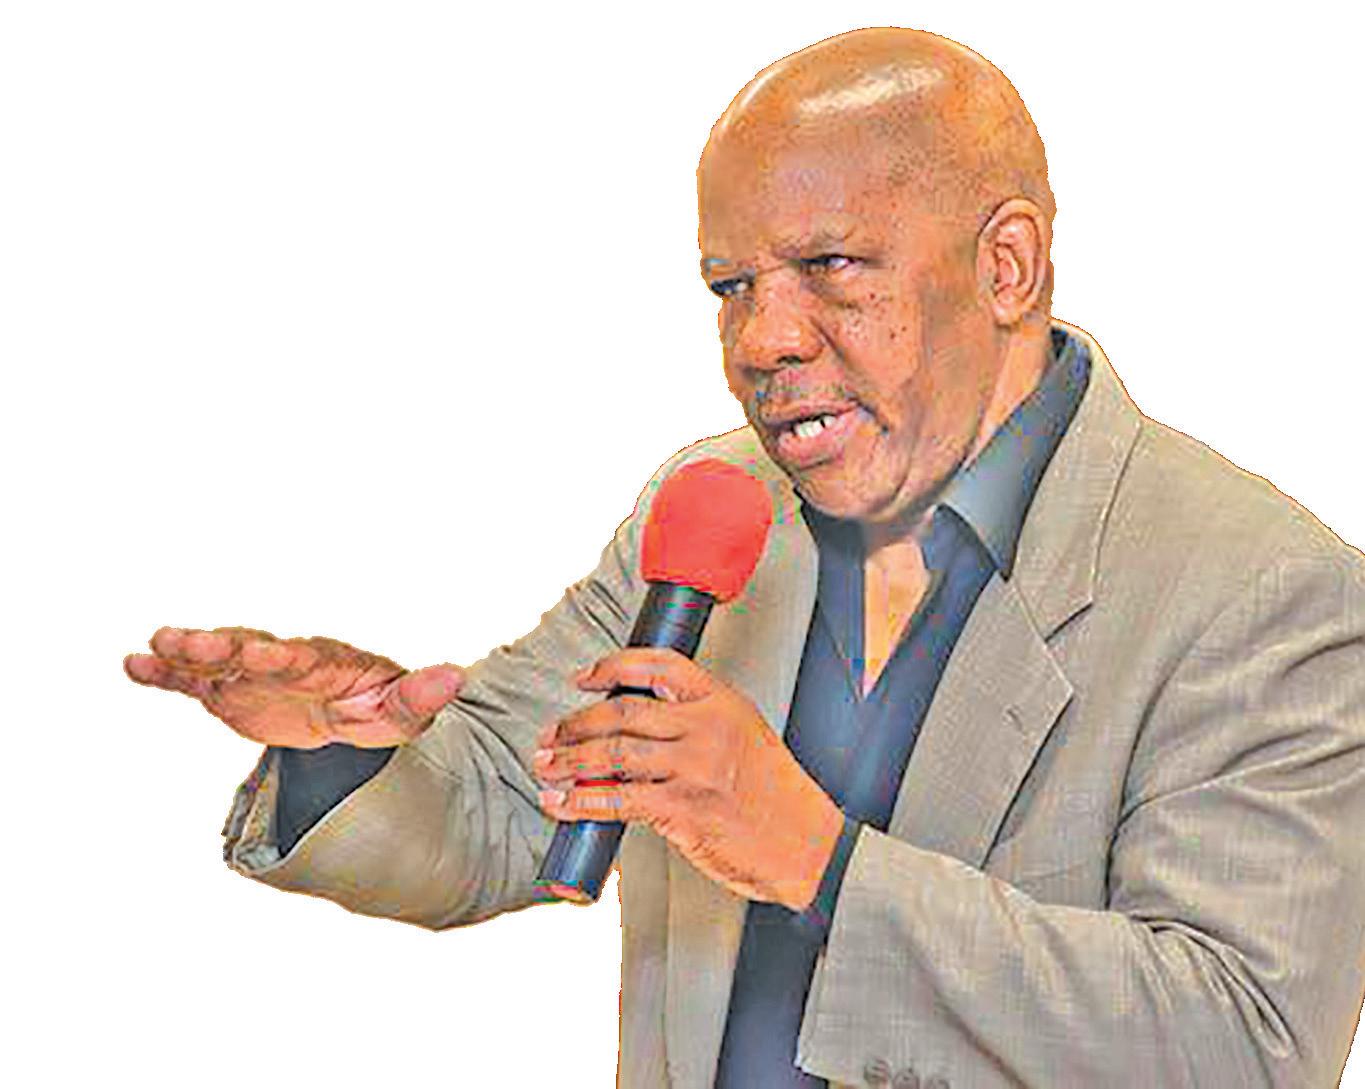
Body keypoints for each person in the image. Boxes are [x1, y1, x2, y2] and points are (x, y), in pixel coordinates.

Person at [123, 26, 1365, 1089]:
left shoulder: (1263, 593)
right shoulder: (715, 506)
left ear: (1008, 265)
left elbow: (1247, 1042)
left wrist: (818, 862)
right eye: (731, 286)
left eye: (830, 267)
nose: (762, 340)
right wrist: (342, 750)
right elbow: (505, 800)